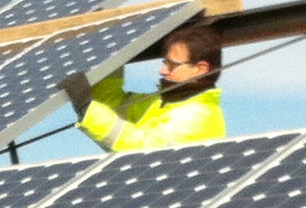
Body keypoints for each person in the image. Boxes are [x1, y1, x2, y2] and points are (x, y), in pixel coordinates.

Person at [66, 23, 225, 152]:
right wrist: (110, 53)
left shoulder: (199, 116)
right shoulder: (157, 103)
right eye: (165, 62)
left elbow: (146, 151)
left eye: (172, 65)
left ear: (201, 69)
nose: (162, 71)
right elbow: (110, 106)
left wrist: (89, 108)